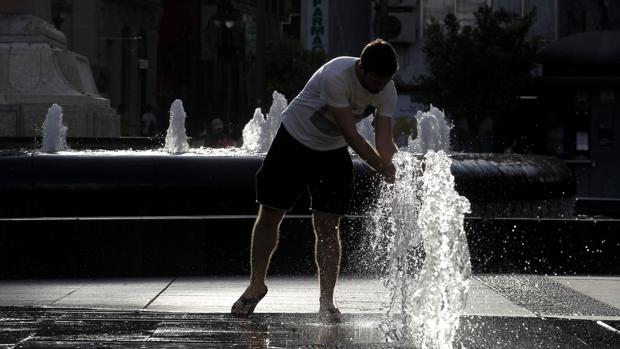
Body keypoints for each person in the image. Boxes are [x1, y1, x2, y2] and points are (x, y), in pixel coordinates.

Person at [231, 39, 399, 322]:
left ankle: (327, 302)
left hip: (331, 153)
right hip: (294, 141)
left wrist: (395, 168)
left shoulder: (387, 90)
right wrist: (382, 168)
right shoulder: (336, 75)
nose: (377, 88)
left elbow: (383, 140)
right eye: (373, 82)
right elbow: (352, 135)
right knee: (271, 213)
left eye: (383, 83)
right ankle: (256, 284)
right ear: (361, 67)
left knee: (328, 224)